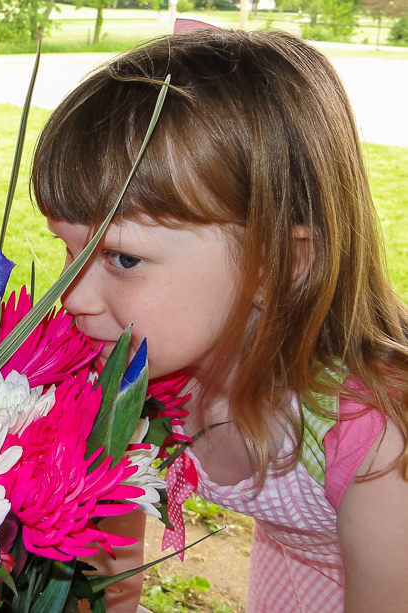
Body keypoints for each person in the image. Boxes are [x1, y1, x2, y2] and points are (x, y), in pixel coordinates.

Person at [31, 28, 408, 612]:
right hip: (299, 572)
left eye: (122, 258)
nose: (72, 297)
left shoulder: (379, 444)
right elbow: (111, 568)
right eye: (69, 250)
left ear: (277, 265)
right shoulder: (140, 373)